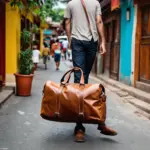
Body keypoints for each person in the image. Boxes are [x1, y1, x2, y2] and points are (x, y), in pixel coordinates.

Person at [64, 0, 117, 142]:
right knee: (81, 81)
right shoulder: (95, 3)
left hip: (77, 42)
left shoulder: (70, 4)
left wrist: (70, 39)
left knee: (82, 81)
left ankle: (95, 121)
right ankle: (82, 126)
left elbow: (68, 23)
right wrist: (103, 42)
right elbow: (99, 22)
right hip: (92, 42)